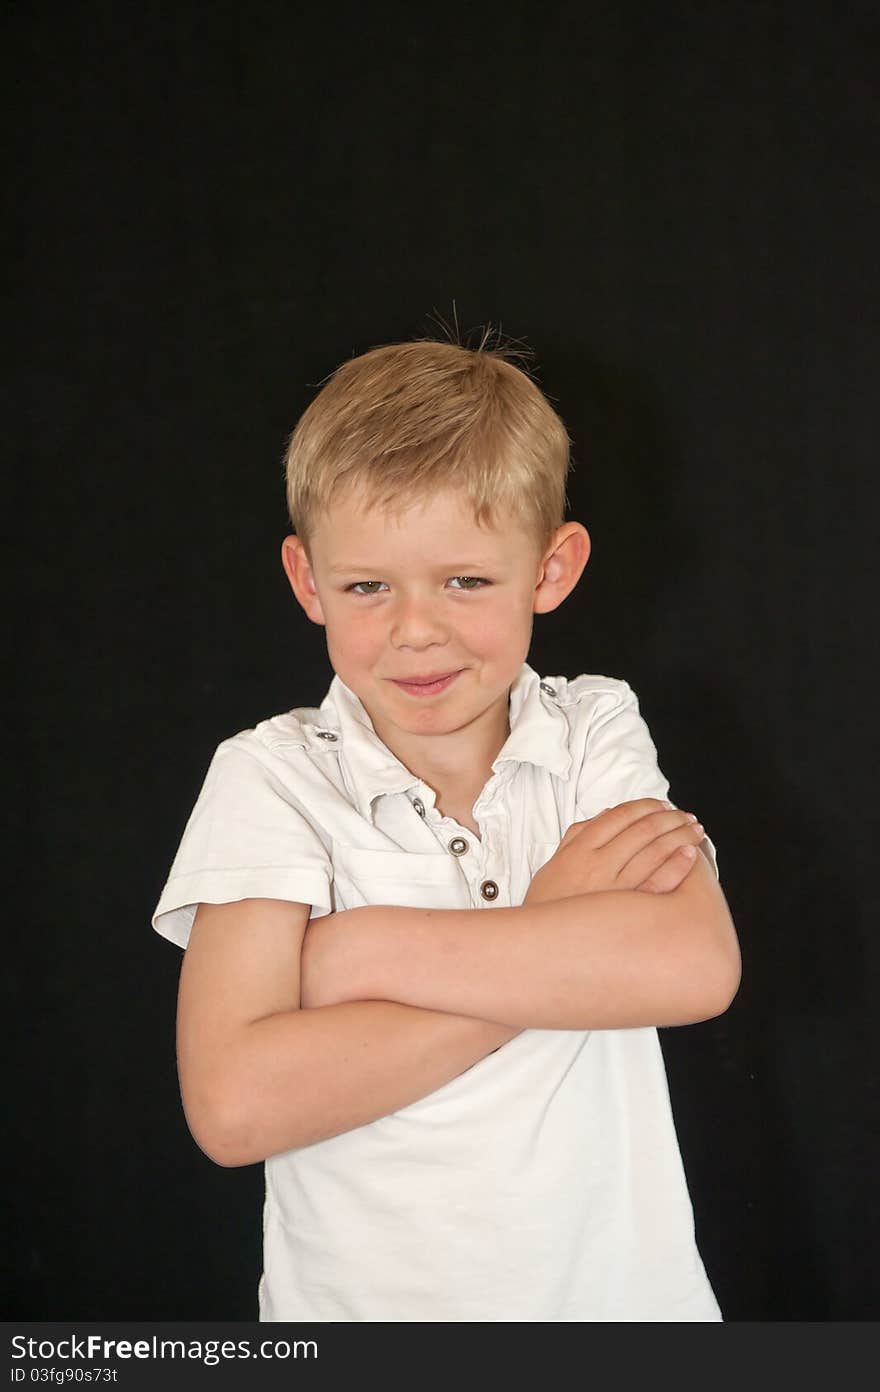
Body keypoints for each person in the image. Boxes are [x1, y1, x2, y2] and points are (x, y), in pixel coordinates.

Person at [151, 334, 741, 1322]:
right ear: (307, 581)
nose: (414, 630)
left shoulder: (593, 728)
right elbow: (234, 1105)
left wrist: (355, 951)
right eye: (367, 586)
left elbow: (692, 968)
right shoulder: (272, 776)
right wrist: (548, 932)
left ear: (551, 569)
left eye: (465, 581)